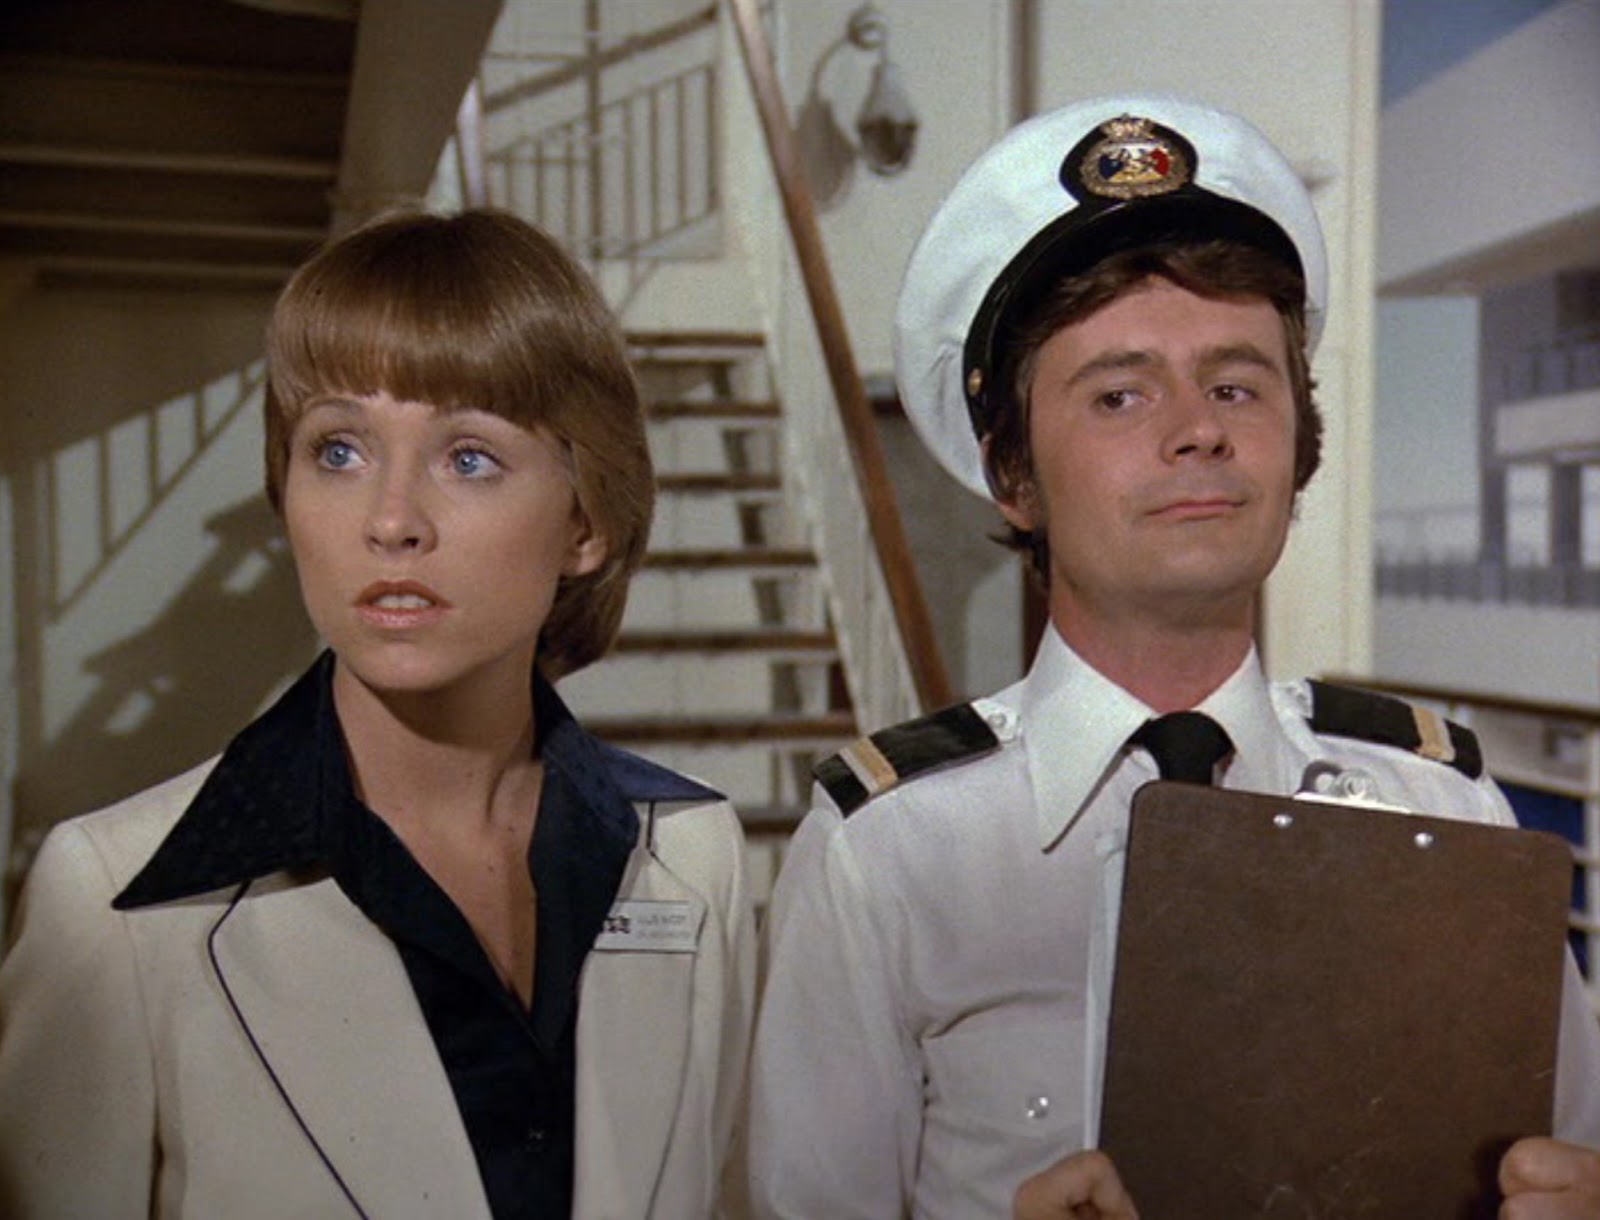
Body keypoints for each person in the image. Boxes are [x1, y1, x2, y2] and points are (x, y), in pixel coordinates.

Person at [744, 94, 1600, 1218]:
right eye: (1119, 393)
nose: (1196, 427)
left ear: (1298, 446)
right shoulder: (893, 852)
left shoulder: (1436, 804)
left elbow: (1570, 1155)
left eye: (1238, 384)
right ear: (1013, 474)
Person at [0, 208, 754, 1219]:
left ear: (585, 520)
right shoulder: (110, 901)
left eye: (469, 457)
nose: (391, 520)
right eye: (340, 449)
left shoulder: (696, 855)